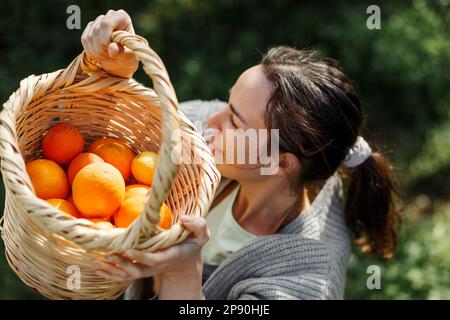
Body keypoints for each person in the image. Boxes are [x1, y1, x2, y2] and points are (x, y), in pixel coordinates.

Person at [84, 9, 399, 300]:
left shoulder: (306, 282)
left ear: (279, 163)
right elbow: (111, 145)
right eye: (228, 103)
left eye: (234, 120)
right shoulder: (221, 142)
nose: (211, 121)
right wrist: (115, 76)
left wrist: (181, 275)